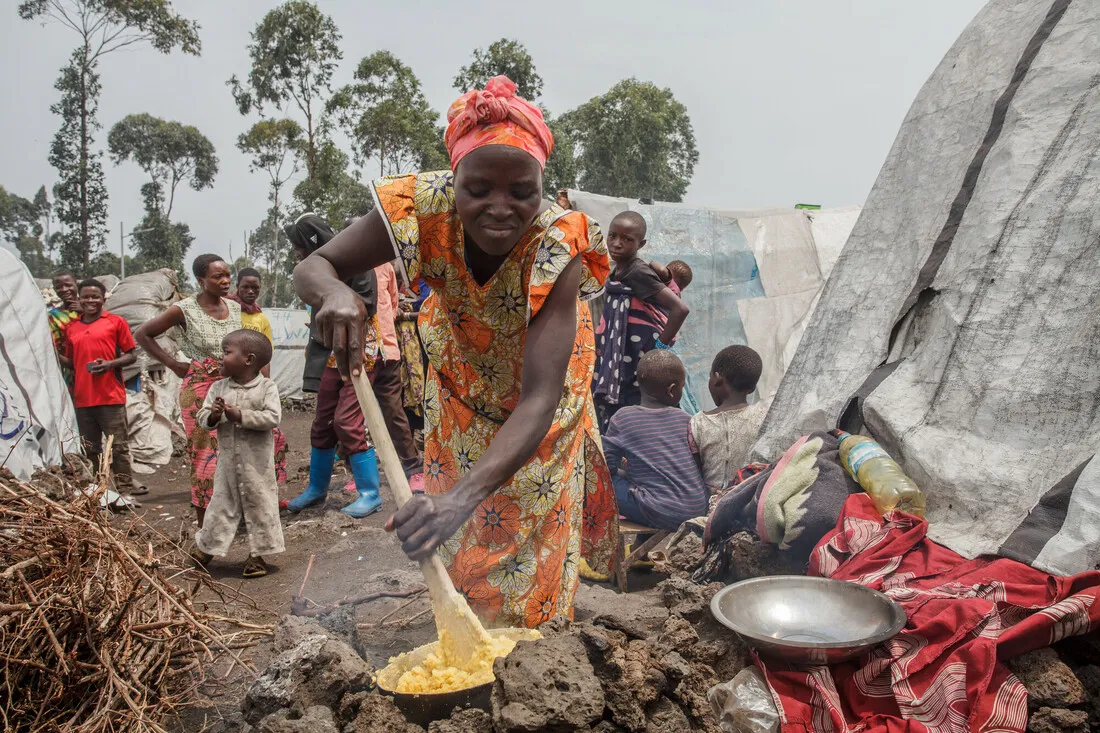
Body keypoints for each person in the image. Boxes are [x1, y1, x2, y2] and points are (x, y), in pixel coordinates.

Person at [293, 75, 618, 627]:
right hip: (460, 382)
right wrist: (335, 292)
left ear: (541, 185)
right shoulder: (423, 207)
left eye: (522, 192)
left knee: (525, 532)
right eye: (478, 189)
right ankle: (463, 632)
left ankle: (534, 662)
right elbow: (313, 266)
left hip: (543, 402)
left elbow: (540, 399)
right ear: (454, 179)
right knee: (459, 537)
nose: (500, 207)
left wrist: (460, 498)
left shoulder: (558, 242)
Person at [135, 254, 287, 527]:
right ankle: (207, 525)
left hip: (236, 385)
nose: (226, 280)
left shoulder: (234, 307)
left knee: (258, 441)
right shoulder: (184, 309)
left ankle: (248, 510)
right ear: (201, 280)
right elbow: (143, 334)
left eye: (228, 274)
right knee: (206, 456)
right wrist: (173, 364)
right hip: (201, 388)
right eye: (218, 276)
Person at [285, 213, 386, 519]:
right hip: (332, 352)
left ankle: (371, 493)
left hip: (359, 350)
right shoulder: (318, 269)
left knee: (347, 421)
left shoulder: (355, 261)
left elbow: (365, 305)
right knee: (323, 422)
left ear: (310, 241)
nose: (296, 252)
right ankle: (317, 488)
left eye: (298, 245)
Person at [191, 329, 285, 578]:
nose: (221, 357)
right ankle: (207, 548)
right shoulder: (218, 387)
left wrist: (240, 415)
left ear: (249, 359)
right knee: (220, 504)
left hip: (257, 466)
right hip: (228, 464)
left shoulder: (266, 387)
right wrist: (214, 414)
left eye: (226, 352)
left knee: (260, 505)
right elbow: (203, 418)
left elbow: (273, 417)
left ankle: (258, 555)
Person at [593, 212, 689, 431]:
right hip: (625, 355)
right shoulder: (619, 269)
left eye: (627, 239)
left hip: (638, 356)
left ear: (641, 243)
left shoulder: (637, 271)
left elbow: (680, 309)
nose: (617, 244)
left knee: (634, 412)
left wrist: (658, 350)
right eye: (613, 236)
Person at [601, 350, 707, 531]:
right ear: (672, 390)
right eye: (682, 387)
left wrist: (626, 474)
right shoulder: (685, 418)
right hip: (697, 507)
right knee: (648, 486)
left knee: (604, 480)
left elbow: (606, 466)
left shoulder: (623, 419)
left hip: (661, 511)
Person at [59, 278, 142, 495]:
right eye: (86, 296)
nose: (90, 300)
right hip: (83, 399)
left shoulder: (115, 322)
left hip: (110, 396)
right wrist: (51, 353)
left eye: (95, 296)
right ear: (79, 299)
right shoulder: (72, 328)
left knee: (119, 447)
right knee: (90, 449)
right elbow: (71, 361)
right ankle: (98, 492)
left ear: (103, 298)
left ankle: (125, 492)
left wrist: (109, 364)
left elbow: (132, 355)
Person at [374, 260, 425, 487]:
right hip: (362, 346)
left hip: (391, 345)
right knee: (354, 413)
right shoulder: (347, 268)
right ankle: (361, 472)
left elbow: (394, 304)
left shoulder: (386, 269)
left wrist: (401, 315)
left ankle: (413, 466)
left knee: (397, 406)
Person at [690, 345, 767, 494]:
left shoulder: (698, 423)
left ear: (717, 378)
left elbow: (695, 474)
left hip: (710, 506)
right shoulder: (764, 419)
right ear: (751, 389)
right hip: (748, 500)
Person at [47, 270, 81, 387]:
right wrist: (75, 366)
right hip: (72, 372)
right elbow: (55, 349)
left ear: (76, 284)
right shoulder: (54, 316)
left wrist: (85, 310)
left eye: (68, 285)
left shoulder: (93, 308)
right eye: (59, 287)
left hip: (102, 366)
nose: (64, 289)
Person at [230, 268, 273, 343]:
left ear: (260, 288)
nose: (250, 291)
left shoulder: (262, 319)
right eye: (246, 287)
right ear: (237, 286)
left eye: (255, 287)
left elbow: (267, 348)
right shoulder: (226, 310)